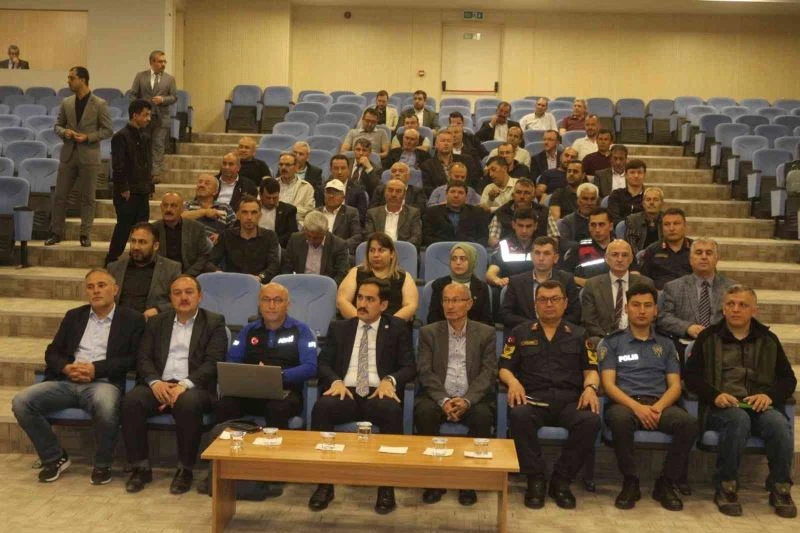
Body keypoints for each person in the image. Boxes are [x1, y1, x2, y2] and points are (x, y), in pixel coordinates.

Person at [12, 268, 145, 484]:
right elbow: (52, 352)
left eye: (101, 285)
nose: (96, 291)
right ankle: (54, 457)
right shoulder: (74, 316)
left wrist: (96, 369)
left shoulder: (132, 319)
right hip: (67, 381)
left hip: (103, 383)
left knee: (106, 404)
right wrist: (66, 368)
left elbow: (134, 359)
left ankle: (103, 464)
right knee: (21, 402)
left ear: (115, 289)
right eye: (90, 287)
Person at [684, 285, 797, 519]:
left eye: (743, 305)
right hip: (721, 407)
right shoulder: (708, 337)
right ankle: (726, 485)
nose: (736, 309)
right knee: (738, 420)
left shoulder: (768, 340)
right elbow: (691, 377)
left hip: (759, 405)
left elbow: (788, 379)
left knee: (779, 424)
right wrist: (715, 395)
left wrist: (769, 396)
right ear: (723, 309)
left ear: (754, 310)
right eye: (731, 304)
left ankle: (780, 487)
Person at [197, 281, 318, 497]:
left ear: (288, 304)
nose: (271, 305)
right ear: (259, 303)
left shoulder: (301, 330)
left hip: (285, 393)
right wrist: (251, 373)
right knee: (224, 405)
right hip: (249, 391)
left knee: (277, 409)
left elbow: (310, 366)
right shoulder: (248, 331)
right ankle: (221, 469)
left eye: (277, 300)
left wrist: (279, 375)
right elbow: (232, 361)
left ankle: (272, 473)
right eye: (266, 300)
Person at [309, 278, 416, 514]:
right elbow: (323, 363)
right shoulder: (340, 328)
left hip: (377, 393)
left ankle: (386, 488)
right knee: (322, 408)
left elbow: (409, 367)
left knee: (391, 411)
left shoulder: (397, 328)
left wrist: (390, 380)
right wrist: (335, 381)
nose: (362, 304)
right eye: (359, 298)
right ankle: (324, 485)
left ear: (383, 305)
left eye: (370, 299)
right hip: (346, 392)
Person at [120, 275, 227, 495]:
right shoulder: (157, 322)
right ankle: (140, 467)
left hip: (195, 387)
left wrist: (184, 385)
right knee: (131, 401)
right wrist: (155, 382)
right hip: (160, 383)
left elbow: (213, 362)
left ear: (200, 296)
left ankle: (185, 470)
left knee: (187, 403)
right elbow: (143, 357)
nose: (183, 297)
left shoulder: (214, 322)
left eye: (189, 292)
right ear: (170, 298)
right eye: (177, 293)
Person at [499, 280, 601, 509]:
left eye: (555, 299)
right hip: (533, 399)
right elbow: (504, 367)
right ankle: (535, 478)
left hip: (569, 401)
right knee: (519, 415)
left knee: (591, 420)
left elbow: (591, 370)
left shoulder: (579, 334)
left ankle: (561, 480)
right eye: (543, 299)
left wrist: (590, 388)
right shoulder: (520, 332)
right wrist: (513, 382)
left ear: (565, 303)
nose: (549, 304)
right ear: (535, 304)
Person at [599, 283, 698, 511]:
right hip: (625, 403)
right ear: (626, 308)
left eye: (647, 305)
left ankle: (666, 482)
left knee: (689, 423)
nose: (641, 311)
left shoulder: (667, 344)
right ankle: (630, 481)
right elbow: (609, 385)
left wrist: (657, 408)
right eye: (635, 305)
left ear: (656, 310)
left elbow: (675, 386)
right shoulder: (612, 342)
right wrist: (637, 408)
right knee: (620, 420)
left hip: (659, 404)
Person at [415, 283, 497, 506]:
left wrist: (467, 400)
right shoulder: (429, 333)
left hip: (472, 397)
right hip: (438, 396)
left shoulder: (486, 333)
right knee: (424, 413)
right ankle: (434, 481)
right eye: (446, 300)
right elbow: (425, 371)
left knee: (482, 417)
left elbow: (489, 372)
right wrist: (443, 400)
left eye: (456, 300)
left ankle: (468, 482)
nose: (449, 306)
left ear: (469, 304)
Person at [46, 66, 113, 247]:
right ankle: (56, 232)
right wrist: (64, 132)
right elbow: (57, 126)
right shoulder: (66, 102)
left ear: (82, 80)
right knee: (60, 196)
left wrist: (88, 137)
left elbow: (108, 130)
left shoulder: (100, 104)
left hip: (89, 156)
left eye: (71, 78)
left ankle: (85, 234)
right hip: (68, 155)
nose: (68, 81)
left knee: (88, 198)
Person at [657, 238, 737, 343]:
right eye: (698, 253)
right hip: (686, 343)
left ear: (717, 259)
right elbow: (664, 318)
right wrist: (687, 327)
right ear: (690, 259)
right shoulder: (673, 287)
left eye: (709, 253)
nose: (704, 257)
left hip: (723, 343)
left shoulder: (731, 288)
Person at [105, 99, 153, 264]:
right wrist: (124, 188)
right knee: (123, 228)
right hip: (127, 192)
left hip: (142, 190)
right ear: (135, 115)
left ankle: (138, 261)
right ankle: (111, 260)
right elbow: (118, 166)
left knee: (142, 229)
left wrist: (150, 186)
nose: (148, 119)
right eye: (145, 115)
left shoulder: (145, 136)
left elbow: (147, 164)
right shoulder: (120, 137)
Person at [581, 239, 654, 347]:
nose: (620, 259)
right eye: (615, 255)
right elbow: (589, 321)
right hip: (604, 341)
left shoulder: (646, 283)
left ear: (631, 259)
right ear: (606, 258)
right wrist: (609, 341)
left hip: (638, 340)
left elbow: (652, 317)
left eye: (624, 255)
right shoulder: (592, 285)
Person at [499, 236, 581, 329]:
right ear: (531, 256)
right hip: (526, 332)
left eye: (546, 253)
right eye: (537, 253)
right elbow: (505, 314)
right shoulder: (516, 281)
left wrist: (553, 326)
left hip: (559, 333)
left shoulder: (567, 280)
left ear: (556, 258)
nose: (541, 258)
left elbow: (575, 314)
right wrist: (533, 326)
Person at [107, 222, 182, 319]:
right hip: (119, 321)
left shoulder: (171, 268)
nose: (136, 247)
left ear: (155, 246)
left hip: (153, 322)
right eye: (133, 241)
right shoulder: (114, 268)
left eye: (142, 242)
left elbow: (180, 299)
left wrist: (158, 310)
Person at [337, 232, 418, 321]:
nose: (376, 255)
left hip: (391, 327)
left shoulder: (404, 277)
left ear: (392, 253)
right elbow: (342, 300)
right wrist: (361, 322)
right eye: (372, 250)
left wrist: (388, 325)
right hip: (358, 324)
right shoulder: (356, 272)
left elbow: (410, 306)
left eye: (381, 250)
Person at [209, 194, 280, 284]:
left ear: (260, 215)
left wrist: (260, 277)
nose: (249, 217)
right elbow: (210, 262)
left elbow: (274, 265)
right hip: (231, 283)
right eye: (245, 212)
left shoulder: (270, 236)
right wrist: (219, 273)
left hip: (260, 284)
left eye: (254, 212)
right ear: (237, 215)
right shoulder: (226, 235)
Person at [129, 50, 177, 181]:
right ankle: (143, 171)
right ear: (152, 62)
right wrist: (137, 109)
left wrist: (163, 99)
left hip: (161, 118)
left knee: (158, 144)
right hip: (143, 119)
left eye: (164, 61)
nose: (163, 64)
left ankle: (155, 174)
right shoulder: (140, 76)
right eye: (160, 61)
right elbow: (133, 95)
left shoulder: (170, 79)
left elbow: (174, 97)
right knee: (143, 144)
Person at [426, 243, 493, 325]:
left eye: (463, 259)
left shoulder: (481, 287)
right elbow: (433, 319)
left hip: (474, 332)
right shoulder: (439, 285)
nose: (458, 262)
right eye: (454, 258)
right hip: (443, 331)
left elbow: (487, 321)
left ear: (472, 261)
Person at [152, 192, 211, 276]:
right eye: (165, 205)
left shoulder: (196, 228)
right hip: (161, 275)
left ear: (182, 209)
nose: (168, 209)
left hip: (190, 274)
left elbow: (204, 256)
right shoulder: (152, 229)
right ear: (161, 207)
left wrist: (188, 275)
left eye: (173, 206)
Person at [281, 211, 350, 284]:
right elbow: (287, 267)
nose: (311, 240)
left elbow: (341, 273)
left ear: (326, 231)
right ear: (304, 230)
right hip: (299, 284)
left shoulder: (339, 245)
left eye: (317, 238)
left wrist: (329, 287)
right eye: (308, 236)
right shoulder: (295, 239)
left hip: (325, 285)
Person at [488, 178, 557, 248]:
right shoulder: (501, 212)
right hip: (509, 252)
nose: (522, 196)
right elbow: (493, 240)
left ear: (533, 196)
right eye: (518, 192)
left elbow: (554, 238)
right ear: (513, 195)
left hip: (539, 252)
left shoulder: (544, 212)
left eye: (526, 193)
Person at [423, 181, 490, 246]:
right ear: (446, 194)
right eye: (452, 192)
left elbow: (483, 237)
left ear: (466, 196)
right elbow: (427, 237)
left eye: (460, 193)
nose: (456, 195)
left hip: (469, 250)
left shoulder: (478, 213)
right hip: (440, 249)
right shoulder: (432, 212)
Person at [639, 208, 692, 290]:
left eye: (676, 224)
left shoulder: (696, 249)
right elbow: (644, 280)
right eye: (667, 224)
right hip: (661, 294)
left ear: (685, 226)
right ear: (662, 227)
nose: (671, 228)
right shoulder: (652, 250)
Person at [486, 208, 538, 288]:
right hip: (510, 288)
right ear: (513, 225)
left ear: (535, 226)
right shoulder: (504, 245)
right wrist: (498, 280)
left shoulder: (543, 245)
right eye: (520, 226)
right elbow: (490, 273)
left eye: (528, 226)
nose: (524, 230)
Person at [420, 128, 480, 197]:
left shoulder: (467, 160)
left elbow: (474, 183)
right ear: (436, 144)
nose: (446, 144)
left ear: (452, 144)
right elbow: (427, 189)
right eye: (443, 141)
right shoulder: (427, 165)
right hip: (439, 200)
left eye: (449, 141)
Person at [562, 207, 615, 284]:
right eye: (593, 225)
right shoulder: (577, 249)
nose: (597, 230)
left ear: (611, 226)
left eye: (601, 224)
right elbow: (564, 277)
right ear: (589, 227)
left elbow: (632, 274)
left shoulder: (622, 248)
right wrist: (587, 284)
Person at [365, 178, 422, 248]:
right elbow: (369, 237)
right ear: (385, 193)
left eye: (398, 191)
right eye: (390, 190)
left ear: (404, 195)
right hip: (379, 251)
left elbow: (416, 238)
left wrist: (396, 249)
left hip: (403, 251)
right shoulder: (372, 214)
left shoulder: (413, 213)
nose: (393, 194)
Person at [181, 174, 236, 242]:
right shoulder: (187, 205)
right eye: (200, 182)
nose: (201, 185)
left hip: (216, 245)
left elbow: (235, 230)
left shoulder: (225, 208)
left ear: (215, 192)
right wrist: (204, 212)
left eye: (207, 183)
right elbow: (178, 218)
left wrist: (221, 237)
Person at [318, 178, 362, 254]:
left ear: (343, 197)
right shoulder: (316, 213)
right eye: (328, 192)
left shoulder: (351, 213)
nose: (331, 196)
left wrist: (338, 246)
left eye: (335, 193)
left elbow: (357, 237)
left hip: (339, 253)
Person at [623, 186, 664, 256]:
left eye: (655, 200)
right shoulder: (633, 220)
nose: (651, 202)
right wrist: (641, 258)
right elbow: (631, 245)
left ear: (662, 203)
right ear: (643, 203)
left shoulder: (667, 220)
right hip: (639, 258)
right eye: (648, 199)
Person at [257, 177, 298, 248]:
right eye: (268, 198)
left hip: (277, 247)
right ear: (260, 195)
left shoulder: (288, 211)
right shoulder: (251, 208)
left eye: (275, 198)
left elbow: (292, 234)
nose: (271, 202)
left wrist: (271, 242)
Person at [276, 152, 315, 226]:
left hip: (296, 224)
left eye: (287, 165)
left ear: (296, 167)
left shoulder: (306, 187)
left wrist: (286, 212)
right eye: (281, 164)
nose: (283, 168)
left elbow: (309, 211)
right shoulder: (271, 184)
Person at [329, 154, 369, 226]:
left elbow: (362, 216)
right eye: (336, 168)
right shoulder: (323, 188)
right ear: (330, 170)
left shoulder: (358, 190)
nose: (340, 172)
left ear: (348, 169)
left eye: (343, 168)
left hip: (349, 226)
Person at [608, 159, 646, 225]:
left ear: (644, 175)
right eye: (632, 172)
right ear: (626, 175)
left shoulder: (648, 197)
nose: (636, 176)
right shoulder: (616, 195)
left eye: (639, 172)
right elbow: (614, 218)